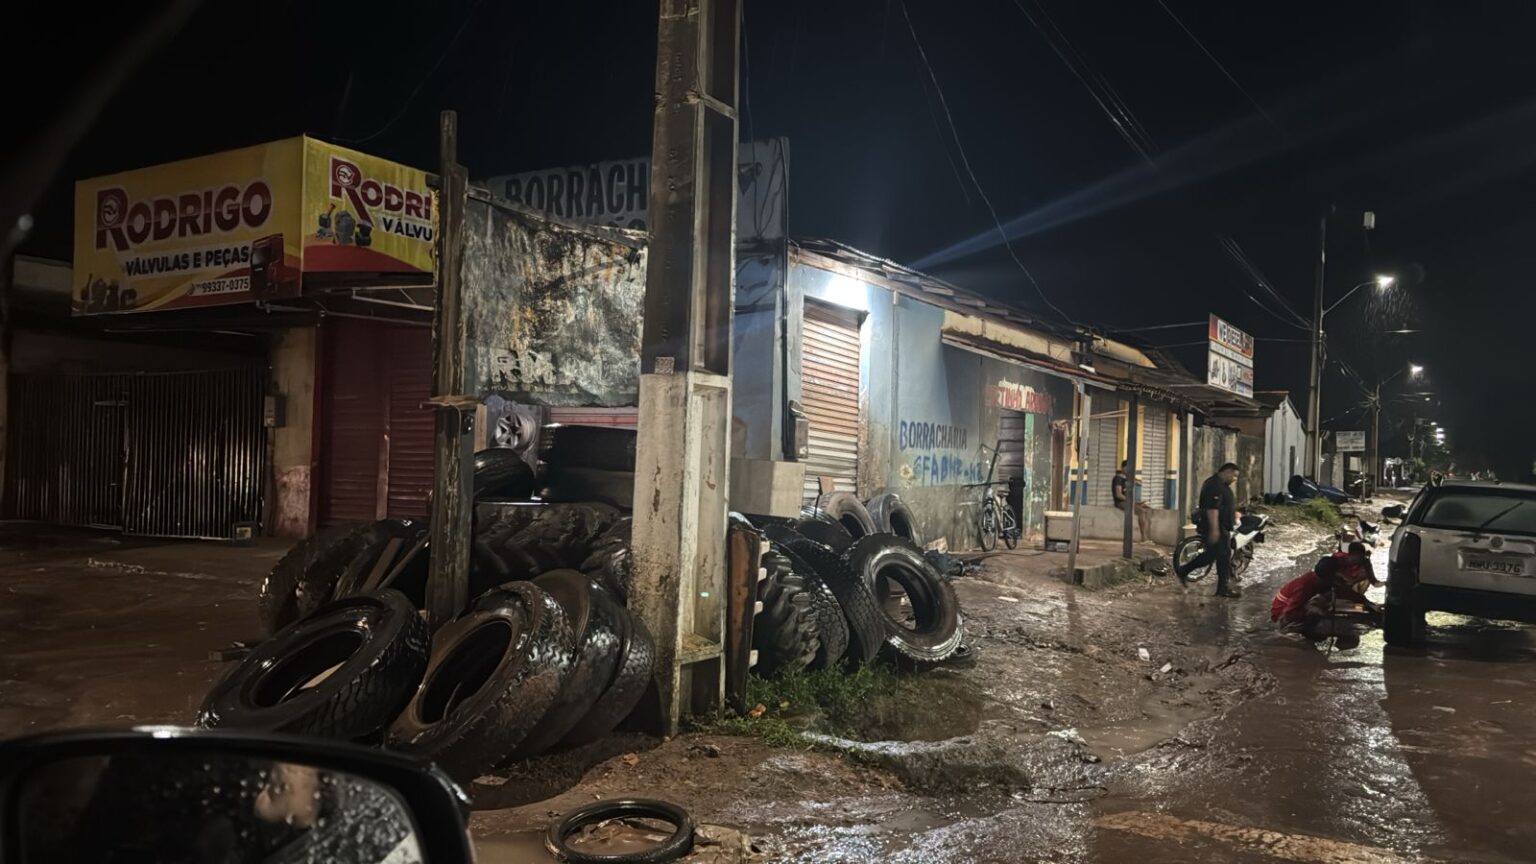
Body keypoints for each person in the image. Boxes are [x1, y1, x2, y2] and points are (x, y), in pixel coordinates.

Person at [1271, 543, 1381, 645]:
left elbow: (1344, 592)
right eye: (1336, 574)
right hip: (1282, 614)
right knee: (1306, 638)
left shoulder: (1325, 581)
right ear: (1328, 576)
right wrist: (1314, 613)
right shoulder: (1305, 586)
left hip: (1297, 608)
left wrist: (1367, 603)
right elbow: (1289, 613)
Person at [1176, 462, 1241, 597]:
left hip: (1221, 526)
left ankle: (1184, 571)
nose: (1235, 479)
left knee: (1213, 556)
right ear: (1227, 472)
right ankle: (1222, 589)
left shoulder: (1220, 485)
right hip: (1216, 526)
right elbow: (1212, 510)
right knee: (1221, 556)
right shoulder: (1214, 485)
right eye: (1234, 476)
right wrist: (1214, 530)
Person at [1112, 460, 1154, 543]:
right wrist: (1133, 502)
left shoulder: (1127, 478)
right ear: (1123, 468)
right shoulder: (1118, 479)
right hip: (1121, 502)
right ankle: (1144, 538)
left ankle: (1148, 537)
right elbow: (1118, 495)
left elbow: (1140, 483)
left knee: (1148, 510)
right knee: (1141, 512)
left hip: (1130, 501)